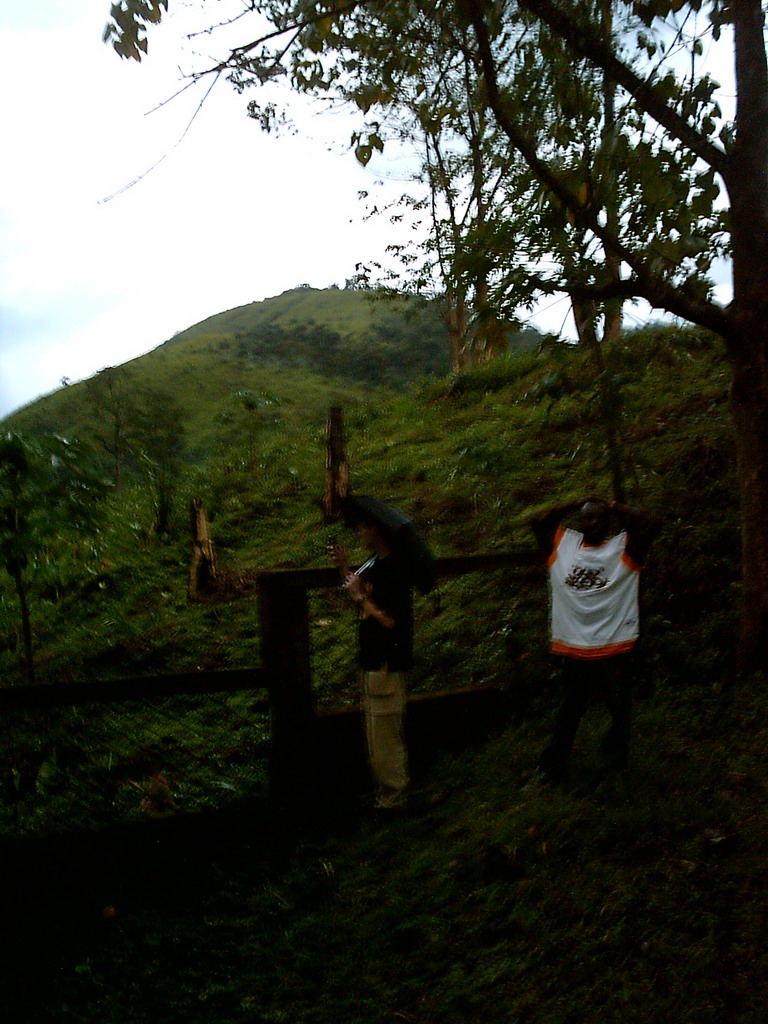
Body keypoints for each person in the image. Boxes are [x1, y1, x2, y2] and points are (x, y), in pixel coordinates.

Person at [526, 496, 661, 787]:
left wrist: (614, 505)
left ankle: (613, 768)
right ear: (580, 521)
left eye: (601, 518)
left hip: (615, 644)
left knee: (620, 711)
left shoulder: (623, 548)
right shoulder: (563, 545)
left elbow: (652, 523)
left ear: (609, 522)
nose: (594, 523)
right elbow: (537, 520)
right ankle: (551, 770)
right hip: (574, 646)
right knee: (568, 712)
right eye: (588, 518)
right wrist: (570, 504)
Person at [328, 499, 419, 812]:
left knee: (385, 739)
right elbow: (355, 584)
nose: (359, 531)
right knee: (376, 736)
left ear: (380, 531)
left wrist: (360, 598)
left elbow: (391, 620)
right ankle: (387, 794)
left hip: (386, 660)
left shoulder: (393, 569)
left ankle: (395, 799)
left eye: (365, 527)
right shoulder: (374, 563)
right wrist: (343, 565)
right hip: (373, 659)